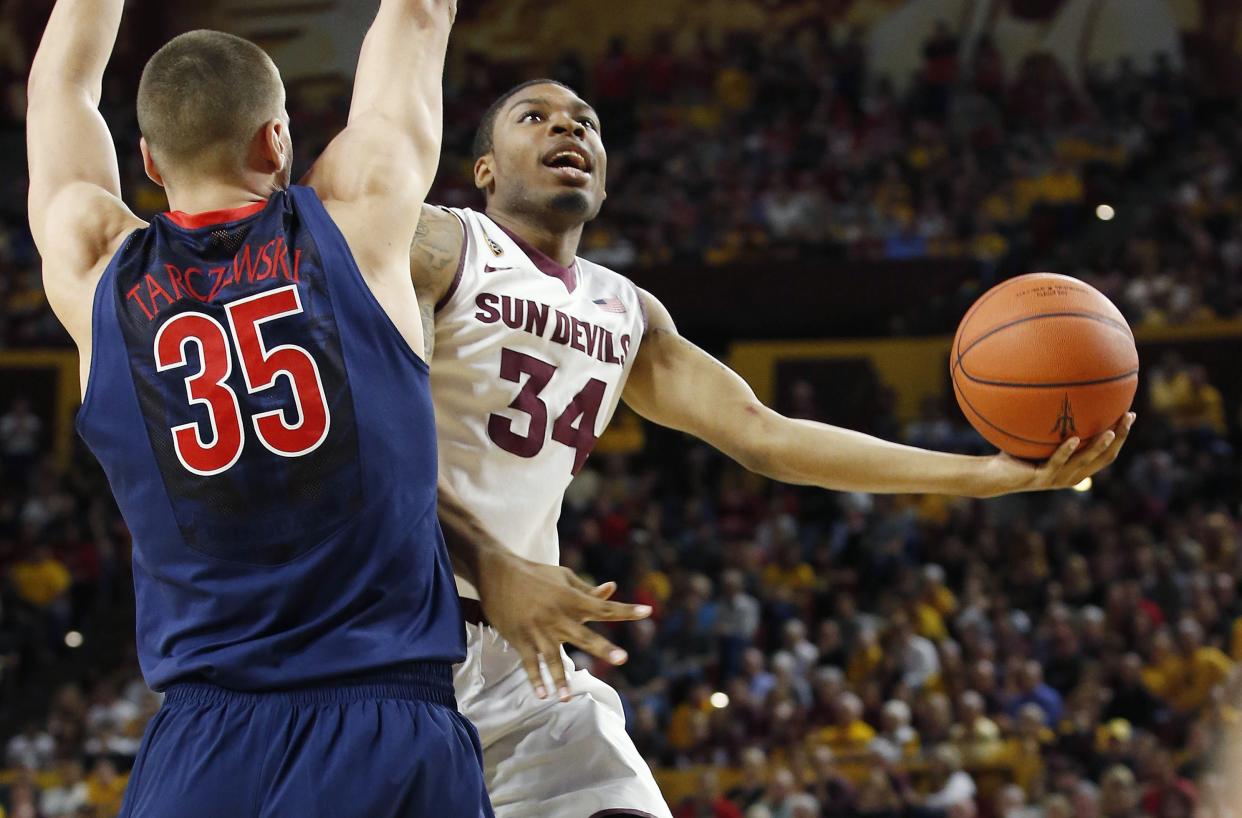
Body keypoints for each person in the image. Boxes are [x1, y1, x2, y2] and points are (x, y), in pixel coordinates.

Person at [409, 79, 1135, 818]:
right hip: (391, 632)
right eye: (536, 117)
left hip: (527, 659)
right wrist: (489, 563)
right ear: (486, 169)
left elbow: (765, 434)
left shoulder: (623, 310)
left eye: (586, 123)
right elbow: (358, 446)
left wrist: (985, 475)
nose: (569, 127)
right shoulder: (439, 244)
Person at [25, 1, 495, 815]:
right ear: (276, 140)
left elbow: (58, 88)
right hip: (387, 724)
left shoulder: (96, 268)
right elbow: (420, 16)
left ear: (148, 158)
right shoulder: (357, 220)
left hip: (203, 746)